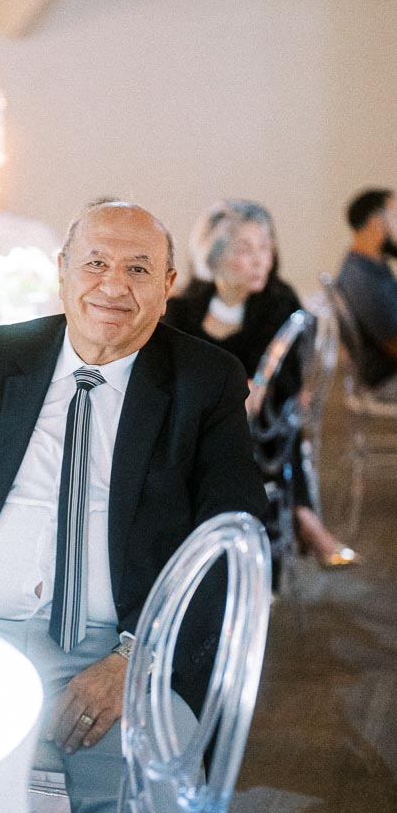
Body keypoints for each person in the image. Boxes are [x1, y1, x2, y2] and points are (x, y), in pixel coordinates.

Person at [0, 199, 268, 813]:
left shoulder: (204, 383)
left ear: (168, 285)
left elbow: (230, 538)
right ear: (63, 270)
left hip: (116, 652)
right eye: (97, 263)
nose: (113, 285)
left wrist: (135, 657)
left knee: (141, 812)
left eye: (139, 269)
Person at [164, 199, 355, 567]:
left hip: (259, 426)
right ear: (214, 257)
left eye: (265, 248)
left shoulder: (279, 302)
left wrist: (254, 391)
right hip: (196, 418)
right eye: (245, 250)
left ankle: (294, 521)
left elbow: (287, 378)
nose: (260, 260)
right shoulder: (184, 308)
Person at [336, 188, 397, 397]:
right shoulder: (361, 277)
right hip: (385, 380)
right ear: (375, 222)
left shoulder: (374, 267)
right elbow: (393, 344)